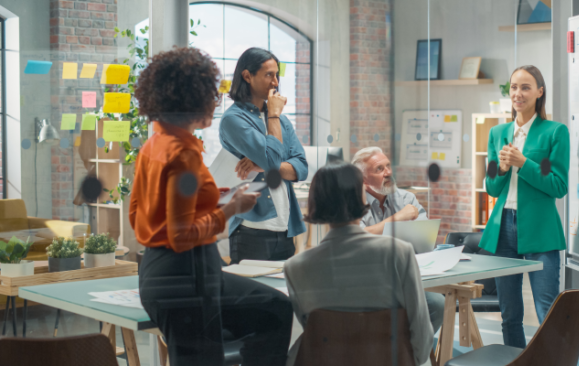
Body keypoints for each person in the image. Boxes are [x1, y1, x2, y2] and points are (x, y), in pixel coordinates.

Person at [130, 47, 293, 366]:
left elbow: (148, 212)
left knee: (273, 310)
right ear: (191, 99)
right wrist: (232, 209)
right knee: (275, 311)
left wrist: (218, 197)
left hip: (159, 272)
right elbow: (181, 234)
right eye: (211, 94)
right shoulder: (183, 154)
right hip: (186, 277)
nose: (217, 101)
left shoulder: (156, 144)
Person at [284, 162, 433, 366]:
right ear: (360, 197)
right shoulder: (399, 253)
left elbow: (310, 339)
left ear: (315, 201)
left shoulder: (295, 267)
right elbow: (421, 332)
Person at [478, 65, 569, 348]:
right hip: (503, 227)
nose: (518, 93)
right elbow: (491, 186)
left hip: (540, 229)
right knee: (510, 314)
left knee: (547, 311)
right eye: (514, 87)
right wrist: (502, 169)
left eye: (526, 87)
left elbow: (558, 186)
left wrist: (523, 164)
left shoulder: (555, 132)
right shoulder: (497, 133)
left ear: (540, 92)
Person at [219, 47, 308, 263]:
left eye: (276, 75)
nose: (275, 83)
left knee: (284, 295)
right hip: (251, 230)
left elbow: (302, 168)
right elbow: (273, 160)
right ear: (247, 76)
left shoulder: (281, 122)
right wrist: (274, 116)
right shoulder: (234, 119)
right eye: (269, 75)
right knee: (253, 296)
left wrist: (262, 165)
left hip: (285, 228)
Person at [351, 146, 445, 335]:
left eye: (388, 166)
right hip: (368, 280)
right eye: (379, 169)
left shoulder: (406, 198)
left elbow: (424, 235)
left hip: (404, 274)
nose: (388, 173)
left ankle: (410, 354)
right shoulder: (354, 202)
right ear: (363, 179)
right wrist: (397, 219)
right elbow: (355, 239)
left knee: (437, 303)